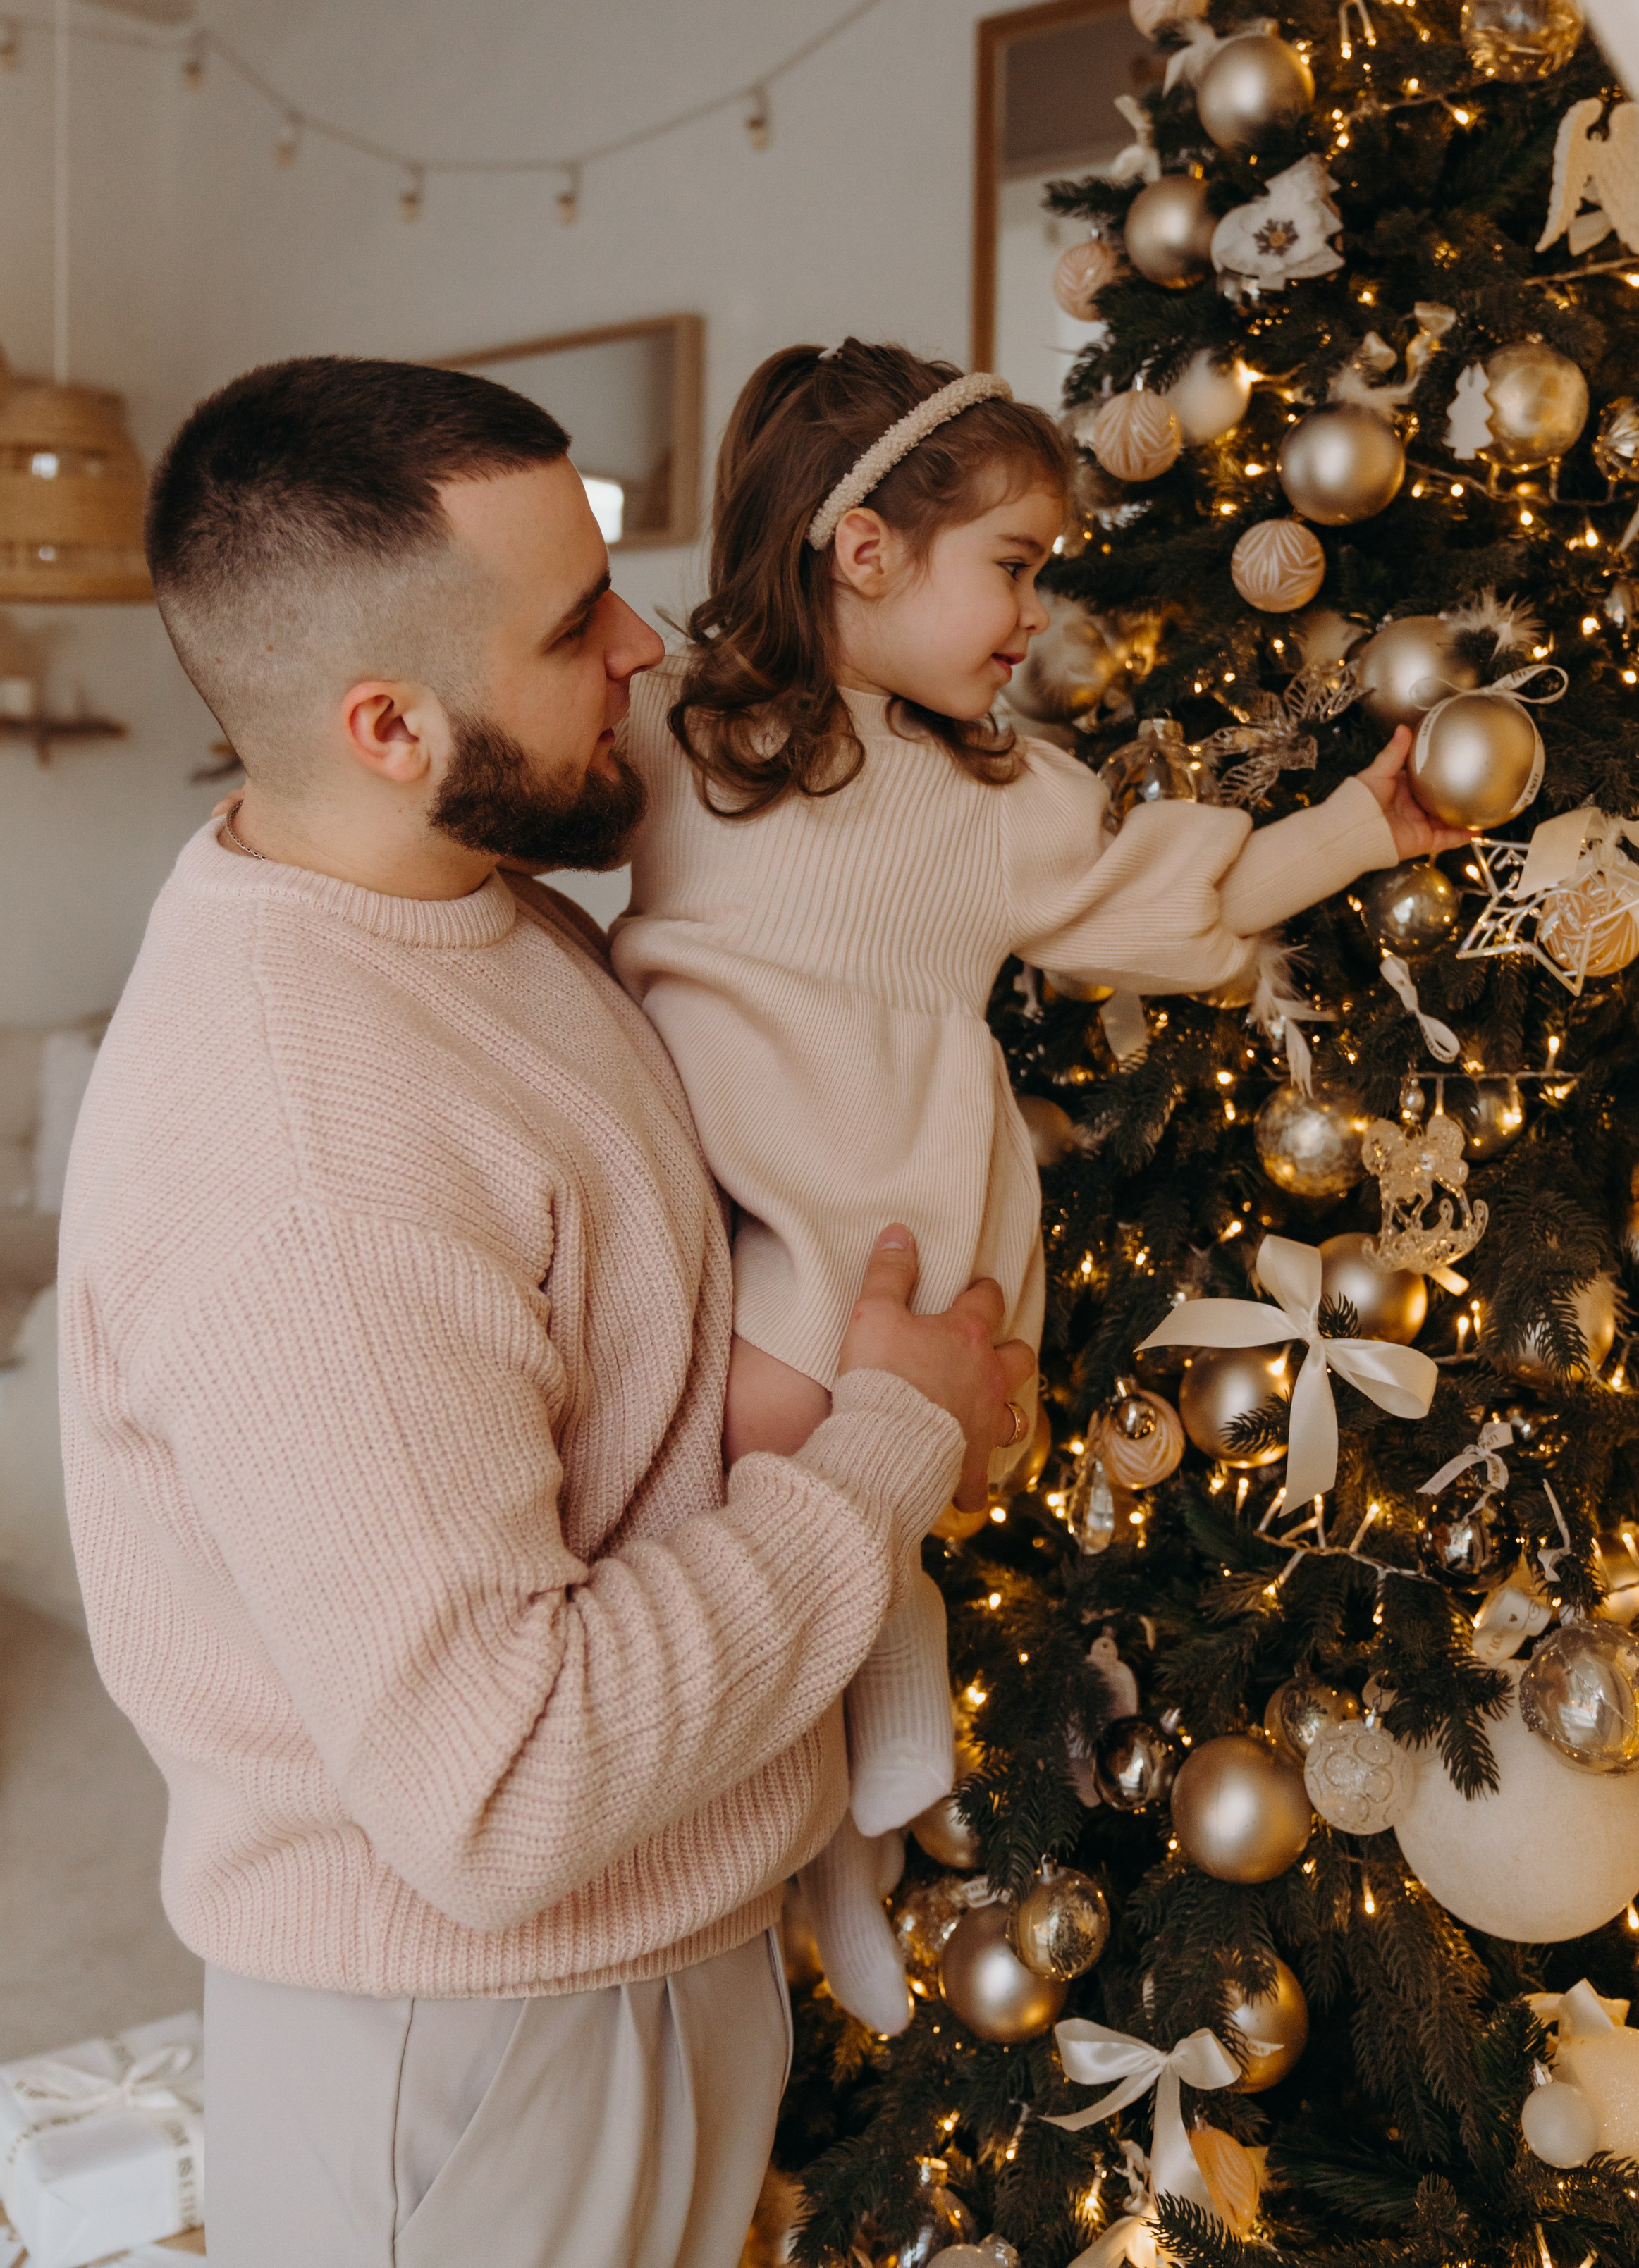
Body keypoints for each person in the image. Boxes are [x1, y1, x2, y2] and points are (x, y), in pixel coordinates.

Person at [58, 355, 1026, 2268]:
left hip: (648, 1964)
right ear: (391, 725)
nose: (647, 647)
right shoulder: (306, 1149)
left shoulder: (483, 908)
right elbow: (499, 1786)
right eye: (578, 618)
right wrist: (887, 1447)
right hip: (470, 2050)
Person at [610, 340, 1467, 2031]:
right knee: (756, 1552)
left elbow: (1177, 899)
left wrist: (1360, 830)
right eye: (1007, 566)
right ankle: (826, 1855)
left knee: (826, 1527)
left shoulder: (993, 795)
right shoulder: (670, 723)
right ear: (861, 550)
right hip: (724, 1212)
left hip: (878, 1231)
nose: (1028, 613)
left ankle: (840, 1869)